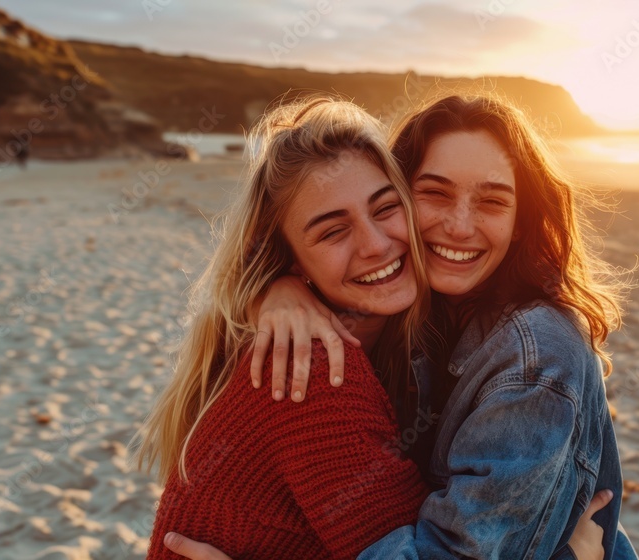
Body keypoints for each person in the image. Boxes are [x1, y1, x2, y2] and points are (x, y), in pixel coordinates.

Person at [137, 96, 611, 559]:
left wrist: (275, 289)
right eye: (332, 231)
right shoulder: (314, 371)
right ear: (291, 259)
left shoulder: (499, 344)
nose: (375, 244)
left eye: (384, 208)